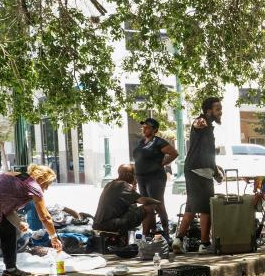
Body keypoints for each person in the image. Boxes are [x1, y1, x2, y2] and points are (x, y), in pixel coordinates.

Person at [172, 97, 224, 255]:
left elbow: (207, 154)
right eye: (218, 109)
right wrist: (200, 122)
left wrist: (216, 172)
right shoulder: (202, 121)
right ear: (209, 110)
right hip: (198, 171)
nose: (220, 111)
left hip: (199, 170)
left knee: (191, 207)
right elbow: (197, 124)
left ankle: (178, 240)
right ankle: (204, 244)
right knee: (206, 208)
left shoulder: (209, 127)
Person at [132, 117, 179, 239]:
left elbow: (174, 153)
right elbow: (138, 160)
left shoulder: (159, 142)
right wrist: (135, 178)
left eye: (147, 127)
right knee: (147, 206)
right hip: (141, 178)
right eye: (144, 127)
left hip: (155, 178)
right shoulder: (141, 142)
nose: (144, 129)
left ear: (155, 130)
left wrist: (161, 164)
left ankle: (166, 233)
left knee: (158, 204)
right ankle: (151, 233)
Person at [93, 164, 161, 238]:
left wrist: (133, 188)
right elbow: (143, 201)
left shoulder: (111, 184)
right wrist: (158, 202)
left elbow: (131, 204)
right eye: (134, 174)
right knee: (149, 207)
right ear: (128, 175)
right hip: (110, 224)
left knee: (133, 208)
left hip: (99, 224)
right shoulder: (122, 185)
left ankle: (153, 231)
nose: (135, 177)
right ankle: (144, 239)